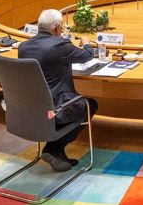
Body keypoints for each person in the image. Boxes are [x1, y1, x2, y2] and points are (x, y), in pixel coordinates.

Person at [19, 9, 97, 171]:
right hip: (55, 109)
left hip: (30, 109)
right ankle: (54, 148)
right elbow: (87, 56)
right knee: (90, 105)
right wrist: (87, 43)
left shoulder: (23, 47)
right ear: (57, 28)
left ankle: (55, 150)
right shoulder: (60, 45)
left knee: (78, 105)